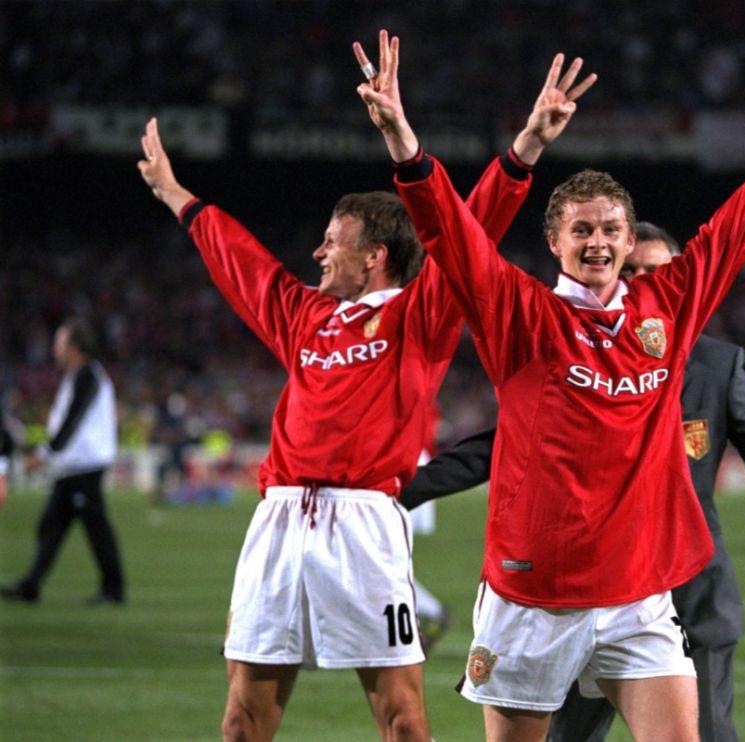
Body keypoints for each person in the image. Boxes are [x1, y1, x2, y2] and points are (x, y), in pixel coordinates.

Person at [358, 31, 745, 740]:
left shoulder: (667, 307)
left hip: (637, 596)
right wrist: (404, 142)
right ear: (554, 243)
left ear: (628, 242)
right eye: (582, 229)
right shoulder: (521, 313)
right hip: (534, 596)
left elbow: (738, 227)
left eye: (611, 229)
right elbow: (452, 234)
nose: (598, 241)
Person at [135, 49, 594, 741]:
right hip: (279, 522)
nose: (319, 253)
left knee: (402, 720)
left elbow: (469, 228)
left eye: (332, 242)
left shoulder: (421, 312)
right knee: (240, 720)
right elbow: (240, 262)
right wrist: (176, 194)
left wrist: (526, 147)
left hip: (364, 525)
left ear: (375, 255)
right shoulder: (304, 315)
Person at [401, 221, 745, 742]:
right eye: (634, 272)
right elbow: (502, 445)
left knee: (709, 735)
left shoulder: (718, 365)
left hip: (690, 590)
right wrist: (400, 490)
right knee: (568, 736)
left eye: (658, 272)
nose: (645, 282)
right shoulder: (579, 352)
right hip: (592, 583)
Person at [2, 319, 124, 605]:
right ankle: (32, 585)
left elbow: (73, 420)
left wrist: (45, 453)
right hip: (73, 467)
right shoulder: (79, 376)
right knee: (52, 526)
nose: (55, 348)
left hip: (84, 466)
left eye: (60, 342)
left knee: (93, 528)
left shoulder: (88, 376)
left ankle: (113, 590)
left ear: (74, 347)